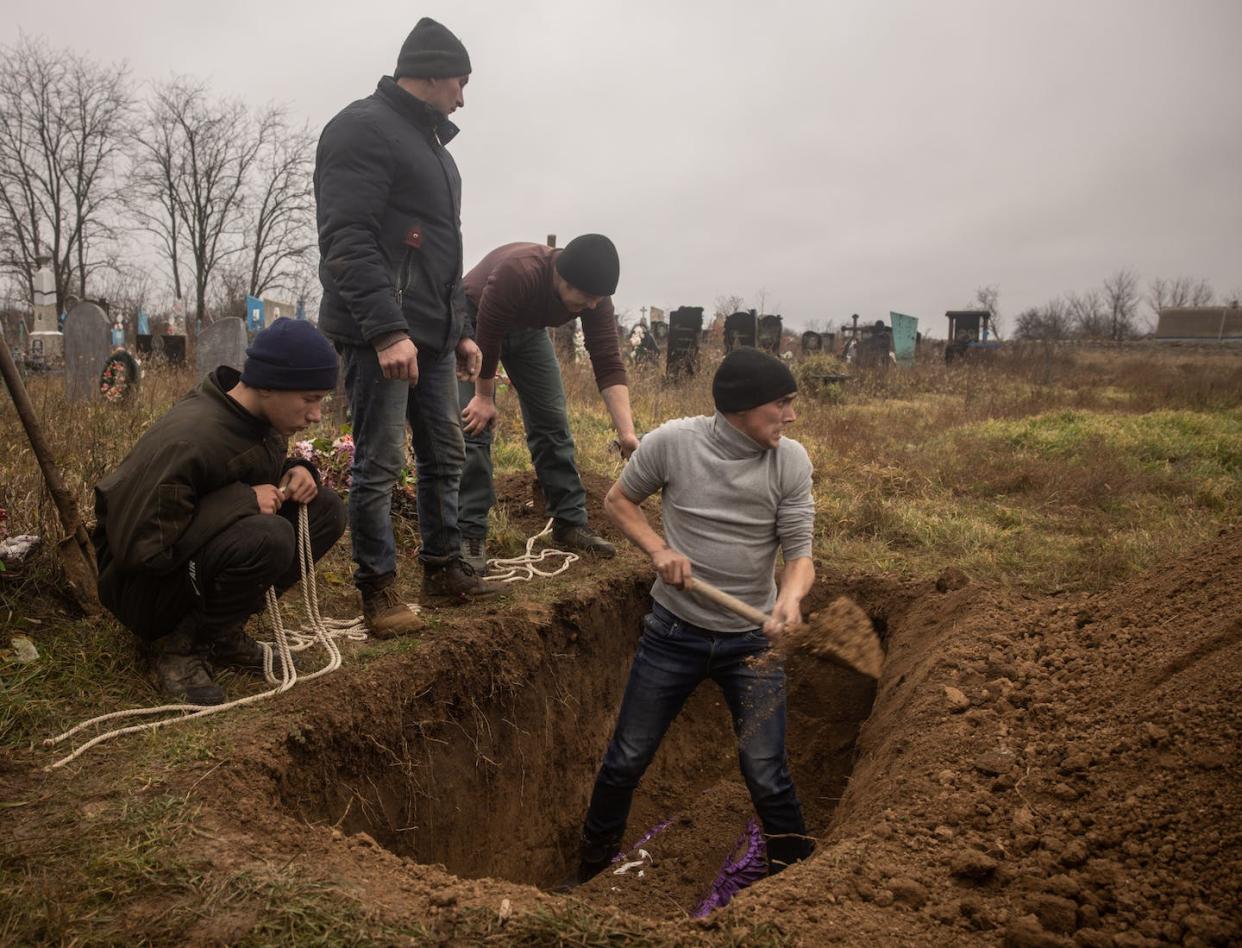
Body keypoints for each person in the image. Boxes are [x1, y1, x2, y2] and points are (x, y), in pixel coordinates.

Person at [567, 347, 817, 885]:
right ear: (745, 407)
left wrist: (789, 600)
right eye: (783, 403)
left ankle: (797, 887)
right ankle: (588, 874)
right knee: (626, 759)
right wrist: (658, 549)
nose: (791, 416)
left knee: (767, 773)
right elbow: (618, 501)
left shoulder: (790, 461)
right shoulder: (672, 444)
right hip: (672, 633)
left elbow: (799, 556)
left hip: (753, 643)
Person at [315, 17, 495, 636]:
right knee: (380, 461)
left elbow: (444, 257)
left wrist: (462, 327)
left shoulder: (438, 154)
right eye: (462, 83)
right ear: (435, 73)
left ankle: (443, 567)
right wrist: (387, 330)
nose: (464, 98)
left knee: (446, 453)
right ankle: (379, 590)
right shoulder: (362, 129)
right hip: (382, 335)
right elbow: (347, 239)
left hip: (434, 337)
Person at [93, 318, 348, 706]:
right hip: (141, 590)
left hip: (186, 563)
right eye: (309, 398)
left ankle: (222, 633)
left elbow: (241, 471)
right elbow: (141, 548)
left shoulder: (254, 415)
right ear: (268, 384)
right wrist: (245, 502)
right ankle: (177, 648)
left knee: (325, 509)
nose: (316, 414)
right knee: (269, 535)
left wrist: (296, 472)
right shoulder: (191, 437)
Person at [456, 235, 640, 572]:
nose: (592, 306)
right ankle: (469, 535)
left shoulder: (595, 297)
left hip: (527, 329)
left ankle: (569, 523)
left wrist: (626, 433)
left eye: (598, 299)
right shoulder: (519, 271)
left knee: (552, 420)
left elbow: (608, 361)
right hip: (472, 320)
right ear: (561, 277)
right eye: (586, 297)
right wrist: (484, 397)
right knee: (474, 425)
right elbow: (489, 335)